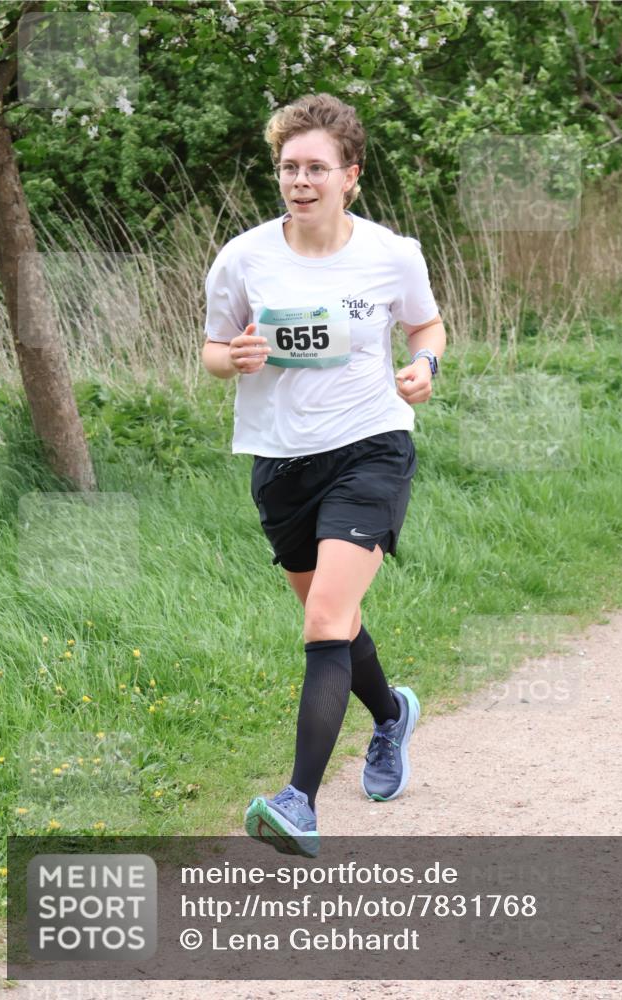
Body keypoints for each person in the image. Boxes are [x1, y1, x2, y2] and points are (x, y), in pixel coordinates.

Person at [202, 93, 446, 859]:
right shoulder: (242, 257)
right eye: (287, 168)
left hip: (370, 448)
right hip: (279, 462)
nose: (299, 181)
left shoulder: (390, 253)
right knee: (332, 620)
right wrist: (231, 358)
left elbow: (424, 325)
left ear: (351, 176)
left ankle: (298, 801)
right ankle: (390, 716)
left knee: (321, 624)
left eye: (315, 167)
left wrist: (423, 366)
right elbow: (211, 349)